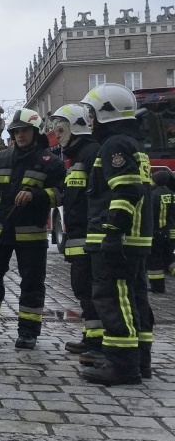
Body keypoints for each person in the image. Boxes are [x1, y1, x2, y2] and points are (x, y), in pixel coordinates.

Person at [0, 108, 65, 349]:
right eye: (16, 131)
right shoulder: (0, 157)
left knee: (32, 283)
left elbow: (61, 194)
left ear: (35, 133)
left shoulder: (50, 162)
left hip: (31, 234)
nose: (20, 135)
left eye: (24, 130)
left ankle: (28, 332)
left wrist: (35, 196)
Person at [79, 83, 154, 386]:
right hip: (133, 240)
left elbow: (125, 191)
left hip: (118, 240)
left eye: (92, 114)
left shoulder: (115, 145)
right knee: (135, 299)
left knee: (114, 299)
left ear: (106, 112)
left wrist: (112, 232)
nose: (90, 121)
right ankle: (140, 360)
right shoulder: (130, 142)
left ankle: (122, 365)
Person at [49, 104, 103, 365]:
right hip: (80, 239)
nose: (56, 134)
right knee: (83, 290)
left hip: (91, 240)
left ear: (75, 126)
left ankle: (99, 343)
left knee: (93, 291)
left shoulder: (91, 153)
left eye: (60, 129)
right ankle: (92, 338)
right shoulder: (77, 157)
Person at [148, 170, 175, 294]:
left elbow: (150, 215)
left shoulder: (153, 195)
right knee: (169, 258)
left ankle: (157, 287)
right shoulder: (173, 195)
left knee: (155, 260)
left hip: (156, 233)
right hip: (171, 233)